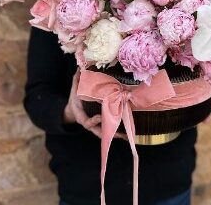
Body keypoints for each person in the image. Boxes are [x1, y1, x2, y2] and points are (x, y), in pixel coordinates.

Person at [24, 27, 198, 205]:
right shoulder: (56, 11)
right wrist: (70, 110)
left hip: (168, 177)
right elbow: (38, 101)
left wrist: (204, 101)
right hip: (87, 183)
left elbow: (205, 68)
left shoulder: (186, 7)